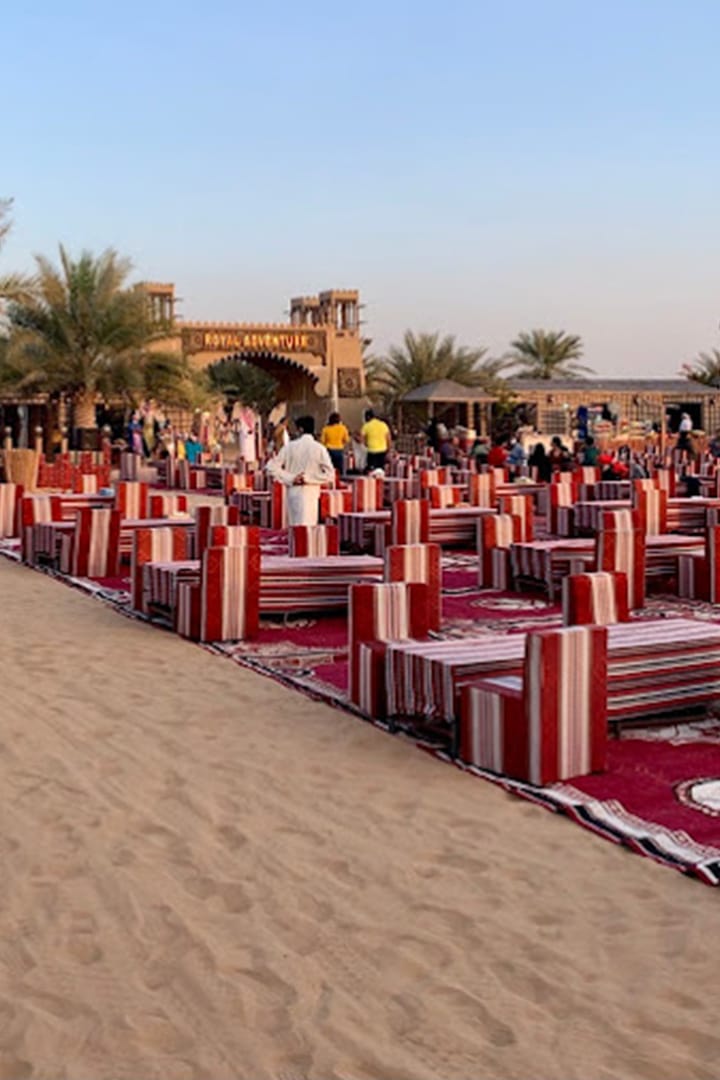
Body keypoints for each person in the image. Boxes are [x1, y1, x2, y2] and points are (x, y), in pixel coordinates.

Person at [266, 415, 335, 526]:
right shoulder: (319, 448)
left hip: (294, 492)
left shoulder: (290, 447)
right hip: (311, 493)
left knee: (295, 528)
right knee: (308, 530)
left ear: (300, 429)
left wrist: (291, 478)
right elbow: (330, 475)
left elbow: (271, 468)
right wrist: (310, 479)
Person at [361, 409, 392, 473]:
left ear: (368, 417)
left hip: (371, 451)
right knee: (380, 470)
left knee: (371, 471)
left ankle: (372, 482)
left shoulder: (366, 426)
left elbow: (362, 440)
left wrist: (367, 444)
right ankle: (380, 481)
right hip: (382, 451)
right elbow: (388, 438)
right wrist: (388, 450)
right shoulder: (383, 425)